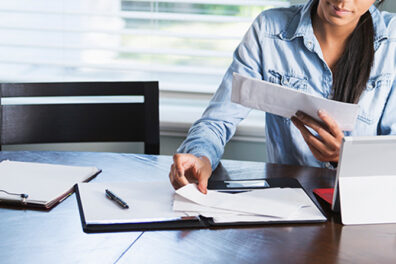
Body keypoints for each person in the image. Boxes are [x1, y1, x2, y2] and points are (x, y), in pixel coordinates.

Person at [169, 0, 395, 193]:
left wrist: (344, 157)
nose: (344, 1)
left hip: (368, 202)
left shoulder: (392, 41)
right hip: (289, 203)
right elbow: (218, 119)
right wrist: (200, 158)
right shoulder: (269, 31)